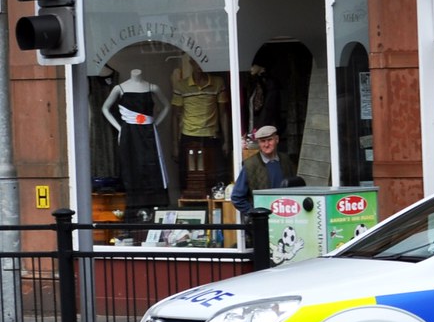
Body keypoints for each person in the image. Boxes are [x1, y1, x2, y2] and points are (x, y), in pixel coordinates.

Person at [101, 69, 170, 214]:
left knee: (152, 166)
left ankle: (155, 207)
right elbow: (105, 108)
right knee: (131, 167)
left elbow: (167, 106)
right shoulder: (119, 89)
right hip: (129, 134)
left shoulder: (152, 87)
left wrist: (155, 124)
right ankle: (133, 208)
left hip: (148, 133)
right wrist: (120, 128)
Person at [170, 57, 231, 193]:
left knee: (215, 176)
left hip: (211, 136)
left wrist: (227, 141)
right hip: (188, 135)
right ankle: (190, 206)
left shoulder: (217, 82)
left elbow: (223, 114)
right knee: (188, 178)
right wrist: (174, 145)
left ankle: (215, 205)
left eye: (203, 61)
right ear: (191, 62)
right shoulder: (181, 85)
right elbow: (175, 115)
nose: (200, 65)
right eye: (196, 61)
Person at [230, 125, 298, 217]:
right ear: (259, 143)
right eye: (262, 141)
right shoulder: (250, 165)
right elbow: (237, 197)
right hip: (262, 223)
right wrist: (255, 214)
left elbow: (296, 189)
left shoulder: (286, 160)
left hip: (285, 218)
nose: (266, 144)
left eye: (270, 140)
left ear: (277, 139)